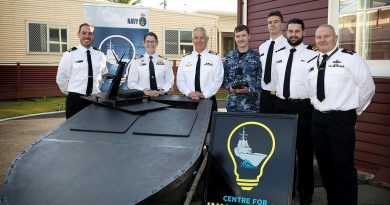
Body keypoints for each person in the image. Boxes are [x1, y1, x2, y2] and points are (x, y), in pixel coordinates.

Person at [306, 24, 375, 204]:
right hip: (318, 119)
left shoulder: (351, 58)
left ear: (335, 38)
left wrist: (354, 109)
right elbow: (311, 90)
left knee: (343, 167)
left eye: (326, 36)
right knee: (325, 166)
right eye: (318, 37)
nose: (322, 40)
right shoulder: (312, 62)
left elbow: (367, 87)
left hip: (341, 119)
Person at [273, 18, 317, 205]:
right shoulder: (279, 54)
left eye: (296, 31)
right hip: (282, 106)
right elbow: (276, 81)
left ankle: (306, 194)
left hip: (304, 107)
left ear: (303, 32)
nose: (293, 35)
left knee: (305, 153)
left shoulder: (312, 54)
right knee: (284, 152)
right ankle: (287, 190)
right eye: (290, 31)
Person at [56, 22, 107, 119]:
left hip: (94, 99)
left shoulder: (100, 54)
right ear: (78, 34)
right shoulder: (70, 54)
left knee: (94, 130)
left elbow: (102, 76)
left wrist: (94, 89)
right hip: (76, 100)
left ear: (93, 36)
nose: (87, 36)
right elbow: (61, 78)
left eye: (90, 33)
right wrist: (72, 92)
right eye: (83, 33)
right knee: (74, 131)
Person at [176, 27, 224, 111]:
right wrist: (189, 93)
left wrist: (204, 95)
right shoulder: (185, 59)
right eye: (196, 38)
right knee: (188, 124)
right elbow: (180, 80)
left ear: (207, 39)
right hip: (188, 100)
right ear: (192, 40)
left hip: (208, 100)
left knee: (209, 124)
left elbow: (217, 80)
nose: (199, 41)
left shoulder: (215, 58)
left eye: (202, 38)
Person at [223, 24, 261, 112]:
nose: (241, 39)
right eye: (238, 36)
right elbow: (224, 78)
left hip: (251, 107)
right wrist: (230, 87)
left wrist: (249, 89)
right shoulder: (229, 56)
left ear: (249, 36)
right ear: (235, 38)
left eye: (243, 35)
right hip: (232, 106)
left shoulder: (257, 57)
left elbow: (261, 80)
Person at [258, 11, 288, 113]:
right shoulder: (262, 47)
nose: (272, 24)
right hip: (265, 96)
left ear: (282, 25)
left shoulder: (289, 46)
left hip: (282, 95)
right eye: (269, 22)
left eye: (276, 22)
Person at [127, 32, 174, 97]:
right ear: (144, 43)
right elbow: (131, 83)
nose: (150, 44)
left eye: (153, 41)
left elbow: (170, 81)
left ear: (157, 43)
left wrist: (162, 91)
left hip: (162, 97)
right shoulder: (136, 61)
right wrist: (143, 90)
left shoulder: (165, 61)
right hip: (143, 97)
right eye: (147, 41)